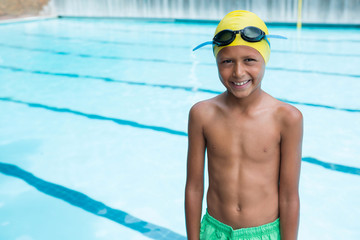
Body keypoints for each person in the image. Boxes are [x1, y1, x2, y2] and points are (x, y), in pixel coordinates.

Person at [185, 10, 303, 240]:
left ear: (265, 59)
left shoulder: (287, 118)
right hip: (214, 231)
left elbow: (289, 196)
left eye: (250, 60)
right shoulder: (202, 114)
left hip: (265, 233)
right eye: (227, 61)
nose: (238, 72)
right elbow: (193, 187)